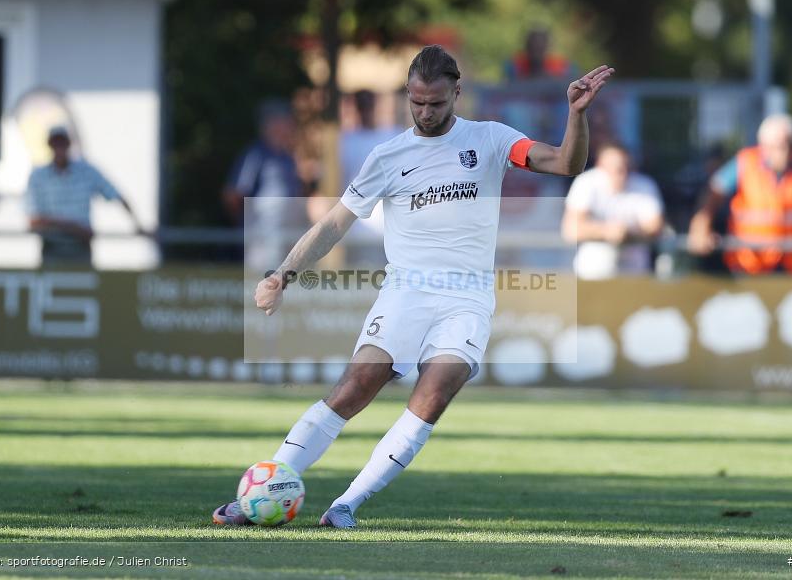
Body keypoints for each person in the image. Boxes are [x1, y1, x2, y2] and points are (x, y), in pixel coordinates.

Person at [213, 45, 614, 528]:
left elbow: (565, 163)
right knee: (354, 387)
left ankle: (346, 506)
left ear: (456, 94)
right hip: (406, 293)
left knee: (435, 391)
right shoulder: (388, 156)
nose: (425, 112)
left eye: (436, 103)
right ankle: (265, 486)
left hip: (466, 298)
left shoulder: (491, 140)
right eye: (417, 102)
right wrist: (282, 274)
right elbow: (335, 224)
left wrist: (576, 115)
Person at [687, 114, 792, 274]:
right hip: (748, 262)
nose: (783, 152)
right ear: (764, 146)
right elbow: (713, 192)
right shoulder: (745, 162)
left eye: (788, 145)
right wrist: (701, 224)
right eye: (777, 146)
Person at [27, 126, 142, 263]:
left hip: (80, 249)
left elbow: (117, 195)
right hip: (52, 249)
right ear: (49, 145)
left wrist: (138, 225)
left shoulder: (86, 171)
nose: (59, 148)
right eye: (55, 143)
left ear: (69, 144)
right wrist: (72, 227)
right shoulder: (38, 176)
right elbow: (34, 220)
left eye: (62, 143)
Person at [562, 143, 664, 279]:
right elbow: (570, 229)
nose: (623, 174)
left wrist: (627, 232)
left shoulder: (645, 185)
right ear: (600, 166)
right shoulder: (586, 183)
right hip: (591, 273)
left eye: (627, 167)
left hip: (635, 275)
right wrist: (607, 231)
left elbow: (656, 227)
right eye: (617, 169)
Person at [222, 101, 305, 269]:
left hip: (288, 240)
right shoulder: (255, 155)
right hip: (262, 239)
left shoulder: (288, 158)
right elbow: (233, 195)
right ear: (273, 124)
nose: (291, 127)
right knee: (262, 287)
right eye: (287, 121)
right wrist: (247, 224)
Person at [339, 90, 402, 265]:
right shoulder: (345, 141)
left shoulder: (394, 136)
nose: (366, 111)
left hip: (392, 230)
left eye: (369, 106)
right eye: (362, 106)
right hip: (359, 229)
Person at [504, 28, 574, 81]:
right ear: (527, 47)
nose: (536, 52)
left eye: (540, 48)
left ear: (547, 48)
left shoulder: (561, 65)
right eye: (532, 47)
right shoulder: (515, 65)